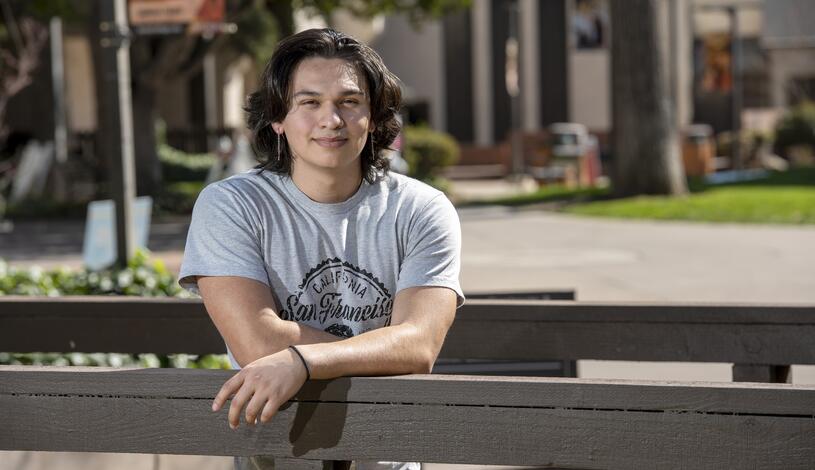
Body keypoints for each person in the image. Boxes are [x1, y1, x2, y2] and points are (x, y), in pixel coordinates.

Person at [178, 28, 463, 470]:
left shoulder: (421, 209)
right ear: (278, 118)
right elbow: (257, 341)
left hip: (386, 455)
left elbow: (419, 345)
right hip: (275, 452)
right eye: (309, 102)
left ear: (373, 117)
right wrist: (379, 349)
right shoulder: (231, 205)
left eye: (349, 102)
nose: (331, 119)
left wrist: (302, 360)